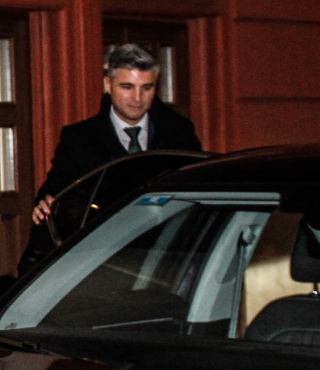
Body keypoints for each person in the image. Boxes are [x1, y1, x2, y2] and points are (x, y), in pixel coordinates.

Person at [19, 44, 203, 274]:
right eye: (127, 87)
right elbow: (59, 185)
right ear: (108, 84)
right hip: (102, 258)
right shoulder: (79, 137)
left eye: (146, 88)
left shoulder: (179, 132)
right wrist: (45, 201)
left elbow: (198, 184)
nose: (137, 98)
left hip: (165, 255)